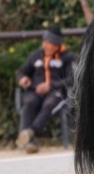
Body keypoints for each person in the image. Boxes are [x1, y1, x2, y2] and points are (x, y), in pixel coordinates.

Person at [15, 26, 75, 154]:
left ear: (57, 44)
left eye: (49, 43)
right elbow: (22, 71)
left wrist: (51, 85)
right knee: (29, 102)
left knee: (49, 104)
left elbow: (72, 79)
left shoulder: (68, 57)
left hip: (56, 92)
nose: (45, 45)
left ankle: (30, 132)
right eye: (44, 42)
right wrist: (23, 78)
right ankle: (28, 142)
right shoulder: (37, 55)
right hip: (35, 91)